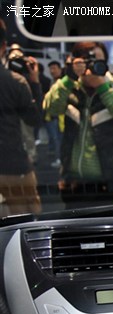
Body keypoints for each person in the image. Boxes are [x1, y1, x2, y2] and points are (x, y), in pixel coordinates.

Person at [44, 41, 113, 209]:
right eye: (87, 60)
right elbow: (51, 109)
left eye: (98, 61)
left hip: (109, 181)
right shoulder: (69, 86)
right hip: (74, 182)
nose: (92, 66)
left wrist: (103, 89)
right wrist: (69, 77)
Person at [0, 20, 43, 215]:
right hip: (12, 163)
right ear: (4, 46)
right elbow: (34, 119)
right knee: (25, 216)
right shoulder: (16, 82)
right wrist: (34, 82)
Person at [44, 61, 64, 166]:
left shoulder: (62, 82)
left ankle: (61, 159)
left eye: (54, 68)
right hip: (53, 115)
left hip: (61, 116)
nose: (52, 71)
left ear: (60, 69)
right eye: (50, 69)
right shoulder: (52, 81)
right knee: (56, 138)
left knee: (59, 139)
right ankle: (59, 157)